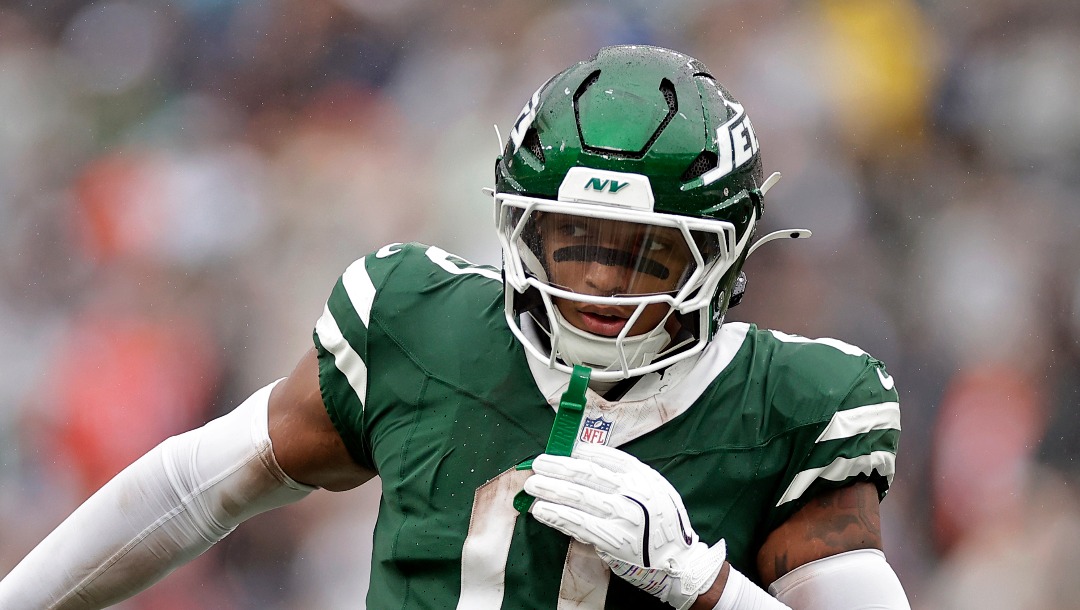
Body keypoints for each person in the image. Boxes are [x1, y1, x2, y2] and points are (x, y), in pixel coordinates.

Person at [0, 45, 910, 609]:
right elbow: (196, 483)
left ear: (726, 254)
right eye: (572, 243)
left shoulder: (792, 404)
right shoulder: (417, 324)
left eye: (644, 255)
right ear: (522, 227)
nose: (599, 280)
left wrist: (698, 582)